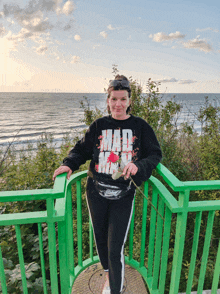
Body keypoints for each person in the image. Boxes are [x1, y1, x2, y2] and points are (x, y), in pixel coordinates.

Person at [52, 75, 162, 294]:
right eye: (114, 99)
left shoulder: (140, 126)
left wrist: (139, 166)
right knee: (101, 240)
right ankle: (108, 275)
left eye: (123, 99)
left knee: (115, 247)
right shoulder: (99, 125)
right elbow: (81, 150)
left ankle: (114, 287)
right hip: (95, 192)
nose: (118, 104)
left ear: (130, 101)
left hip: (123, 195)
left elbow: (155, 154)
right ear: (108, 100)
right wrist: (68, 165)